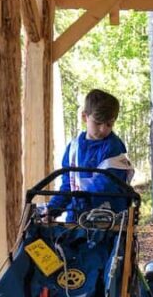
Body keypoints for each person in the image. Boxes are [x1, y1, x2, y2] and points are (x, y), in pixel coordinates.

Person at [48, 89, 134, 218]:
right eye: (98, 123)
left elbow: (106, 185)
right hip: (76, 219)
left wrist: (78, 195)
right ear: (84, 117)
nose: (103, 129)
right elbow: (68, 185)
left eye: (109, 124)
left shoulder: (114, 147)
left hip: (108, 221)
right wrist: (52, 209)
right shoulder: (73, 149)